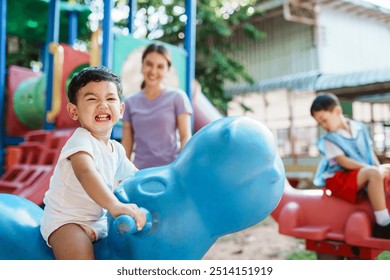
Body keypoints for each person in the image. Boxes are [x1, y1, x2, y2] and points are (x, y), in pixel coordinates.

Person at [40, 66, 146, 259]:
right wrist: (114, 205)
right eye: (92, 99)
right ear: (74, 111)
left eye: (110, 98)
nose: (103, 105)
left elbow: (137, 177)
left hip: (99, 222)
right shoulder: (81, 141)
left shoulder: (117, 150)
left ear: (121, 109)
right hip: (67, 221)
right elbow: (86, 173)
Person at [310, 93, 390, 239]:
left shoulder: (359, 128)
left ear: (337, 112)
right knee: (373, 172)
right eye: (320, 123)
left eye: (324, 120)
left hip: (361, 172)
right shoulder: (329, 139)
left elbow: (369, 151)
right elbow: (343, 161)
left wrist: (379, 167)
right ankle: (383, 224)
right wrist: (372, 169)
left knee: (386, 168)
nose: (324, 126)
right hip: (339, 178)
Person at [122, 43, 193, 169]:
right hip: (139, 173)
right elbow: (127, 143)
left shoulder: (178, 98)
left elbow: (185, 137)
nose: (153, 71)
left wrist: (182, 168)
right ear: (142, 65)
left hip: (170, 171)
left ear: (167, 70)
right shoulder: (130, 103)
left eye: (160, 66)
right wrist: (122, 176)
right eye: (149, 64)